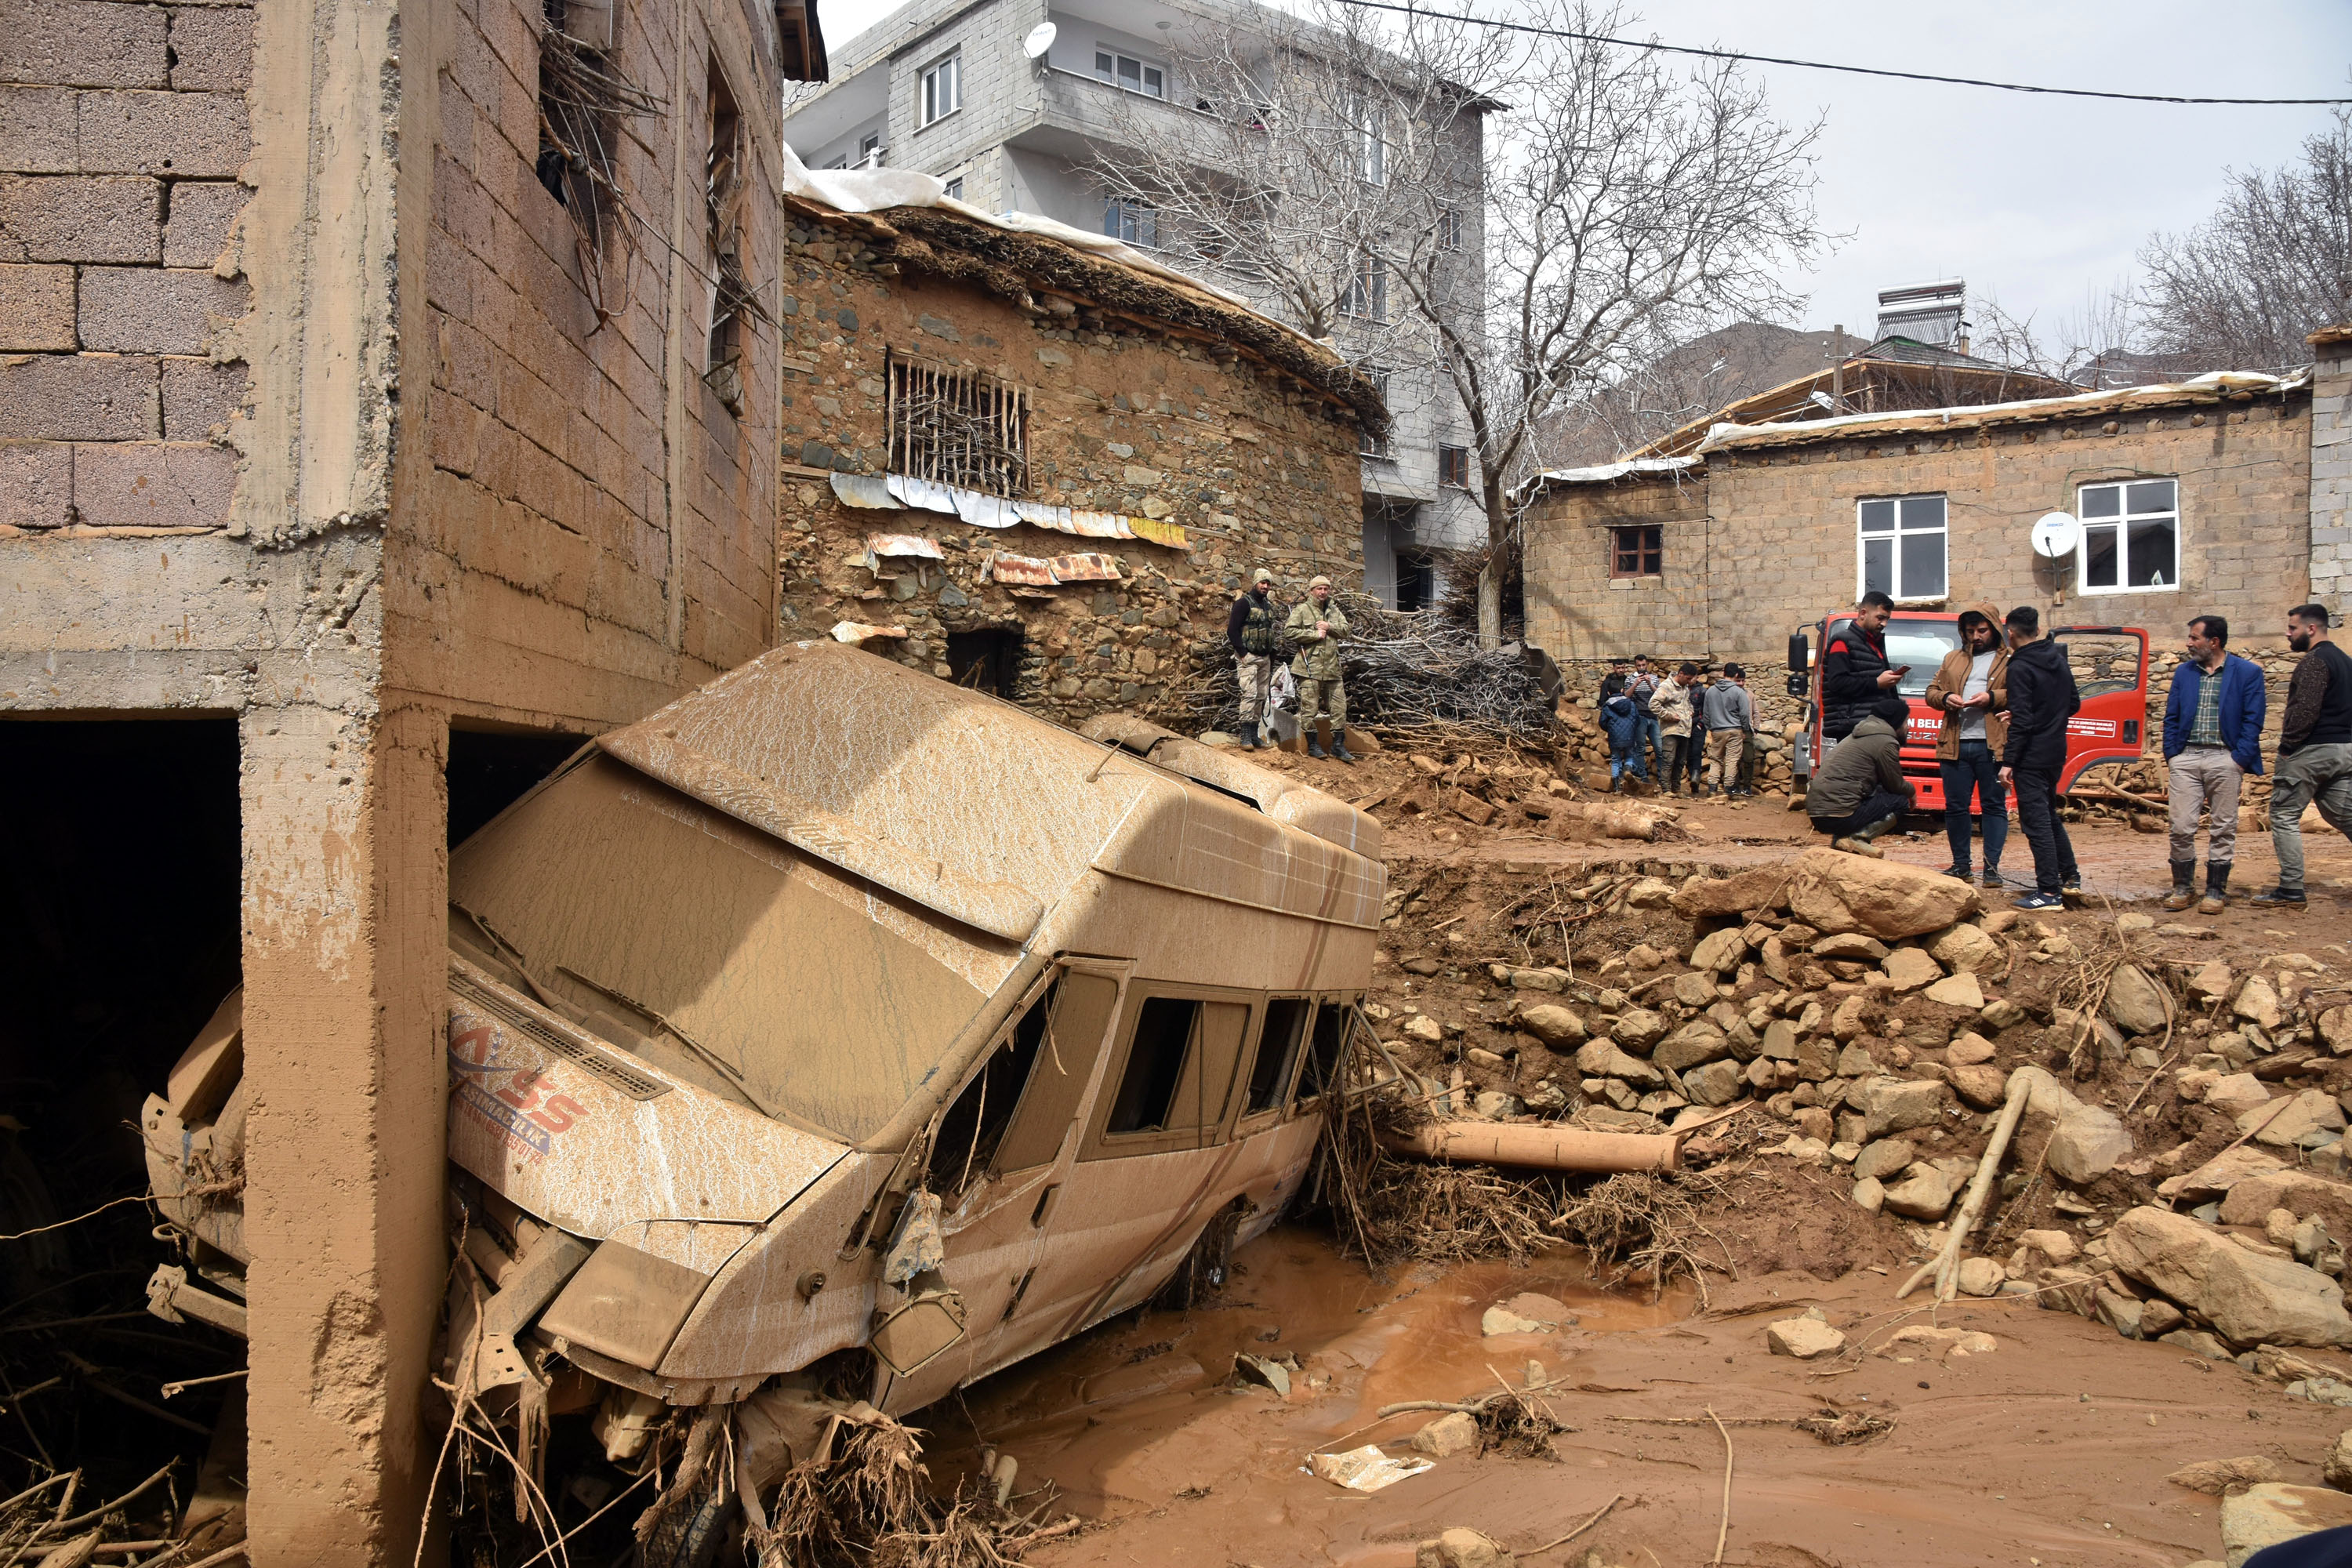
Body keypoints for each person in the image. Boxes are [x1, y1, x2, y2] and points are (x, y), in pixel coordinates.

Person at [2159, 613, 2266, 913]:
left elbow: (2253, 720)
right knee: (2180, 826)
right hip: (2187, 757)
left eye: (2194, 637)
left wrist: (2239, 759)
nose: (2188, 643)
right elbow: (2172, 717)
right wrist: (2173, 755)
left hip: (2225, 758)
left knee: (2223, 827)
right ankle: (2183, 888)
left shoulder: (2247, 673)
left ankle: (2215, 891)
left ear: (2213, 641)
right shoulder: (2184, 673)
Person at [2252, 604, 2352, 908]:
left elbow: (2304, 711)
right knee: (2345, 816)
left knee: (2283, 816)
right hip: (2344, 752)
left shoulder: (2315, 661)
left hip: (2311, 751)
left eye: (2292, 628)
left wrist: (2287, 748)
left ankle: (2291, 890)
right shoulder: (2346, 661)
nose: (2287, 633)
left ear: (2311, 629)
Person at [1998, 604, 2082, 910]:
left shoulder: (2019, 666)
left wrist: (2009, 762)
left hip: (2031, 756)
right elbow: (2072, 704)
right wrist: (2043, 717)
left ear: (2011, 633)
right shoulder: (2057, 659)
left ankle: (2048, 892)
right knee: (2048, 815)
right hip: (2055, 751)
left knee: (2036, 824)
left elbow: (2024, 722)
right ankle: (2070, 876)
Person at [1924, 603, 2010, 887]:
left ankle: (1991, 870)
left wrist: (1992, 698)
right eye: (1970, 630)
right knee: (1956, 807)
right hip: (1955, 743)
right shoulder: (1952, 658)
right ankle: (1961, 866)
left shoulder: (2009, 659)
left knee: (1993, 806)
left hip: (1992, 744)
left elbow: (2022, 693)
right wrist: (1946, 697)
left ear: (1995, 629)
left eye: (1982, 630)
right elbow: (1931, 692)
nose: (1976, 636)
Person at [1806, 694, 1914, 851]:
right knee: (1900, 801)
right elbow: (1896, 784)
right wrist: (1912, 793)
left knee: (1873, 793)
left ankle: (1840, 841)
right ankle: (1857, 838)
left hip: (1817, 814)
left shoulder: (1858, 735)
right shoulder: (1886, 741)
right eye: (1906, 722)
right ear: (1897, 721)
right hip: (1839, 815)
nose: (1908, 727)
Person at [1820, 590, 1905, 765]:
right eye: (1880, 617)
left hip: (1871, 725)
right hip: (1852, 727)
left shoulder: (1874, 644)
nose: (1884, 623)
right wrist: (1877, 683)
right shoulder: (1842, 642)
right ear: (1863, 613)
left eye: (1887, 618)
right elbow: (1837, 683)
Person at [1284, 575, 1354, 762]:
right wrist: (1314, 634)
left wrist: (1329, 626)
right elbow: (1289, 631)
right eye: (1319, 589)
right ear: (1312, 591)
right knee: (1310, 708)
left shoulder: (1334, 611)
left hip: (1332, 668)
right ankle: (1313, 744)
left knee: (1340, 707)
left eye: (1325, 589)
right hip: (1309, 668)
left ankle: (1338, 746)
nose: (1322, 592)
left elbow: (1346, 630)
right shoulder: (1302, 610)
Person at [1225, 568, 1283, 750]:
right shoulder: (1243, 603)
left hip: (1264, 657)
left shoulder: (1267, 606)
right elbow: (1232, 630)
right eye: (1262, 583)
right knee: (1249, 695)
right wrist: (1242, 653)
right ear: (1256, 583)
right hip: (1248, 657)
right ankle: (1245, 737)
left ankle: (1254, 735)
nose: (1265, 586)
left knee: (1260, 696)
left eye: (1268, 584)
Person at [1702, 662, 1755, 797]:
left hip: (1717, 730)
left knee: (1716, 759)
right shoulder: (1739, 692)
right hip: (1734, 729)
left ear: (1723, 673)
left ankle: (1712, 788)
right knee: (1732, 760)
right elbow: (1744, 714)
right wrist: (1744, 729)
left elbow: (1706, 713)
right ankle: (1728, 788)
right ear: (1736, 675)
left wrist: (1711, 728)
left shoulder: (1711, 691)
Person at [1652, 662, 1699, 797]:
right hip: (1671, 729)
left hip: (1684, 730)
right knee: (1668, 759)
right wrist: (1669, 716)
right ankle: (1666, 789)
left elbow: (1687, 703)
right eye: (1688, 678)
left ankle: (1676, 789)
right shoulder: (1666, 687)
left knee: (1680, 762)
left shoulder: (1685, 688)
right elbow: (1653, 704)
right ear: (1681, 674)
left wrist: (1690, 711)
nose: (1690, 682)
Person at [1599, 673, 1646, 790]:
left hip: (1614, 736)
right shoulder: (1631, 704)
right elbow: (1637, 719)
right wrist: (1632, 729)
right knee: (1629, 756)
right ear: (1622, 690)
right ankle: (1627, 770)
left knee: (1615, 759)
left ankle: (1616, 787)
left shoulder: (1607, 706)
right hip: (1630, 735)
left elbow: (1602, 722)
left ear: (1609, 693)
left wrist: (1610, 729)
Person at [1628, 655, 1664, 779]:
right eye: (1639, 666)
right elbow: (1626, 696)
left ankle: (1662, 778)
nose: (1642, 668)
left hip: (1653, 717)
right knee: (1640, 748)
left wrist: (1649, 683)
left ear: (1647, 664)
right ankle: (1643, 777)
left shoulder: (1654, 678)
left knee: (1659, 749)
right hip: (1639, 716)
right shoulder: (1630, 679)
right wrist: (1635, 684)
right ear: (1635, 666)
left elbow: (1660, 695)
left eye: (1644, 665)